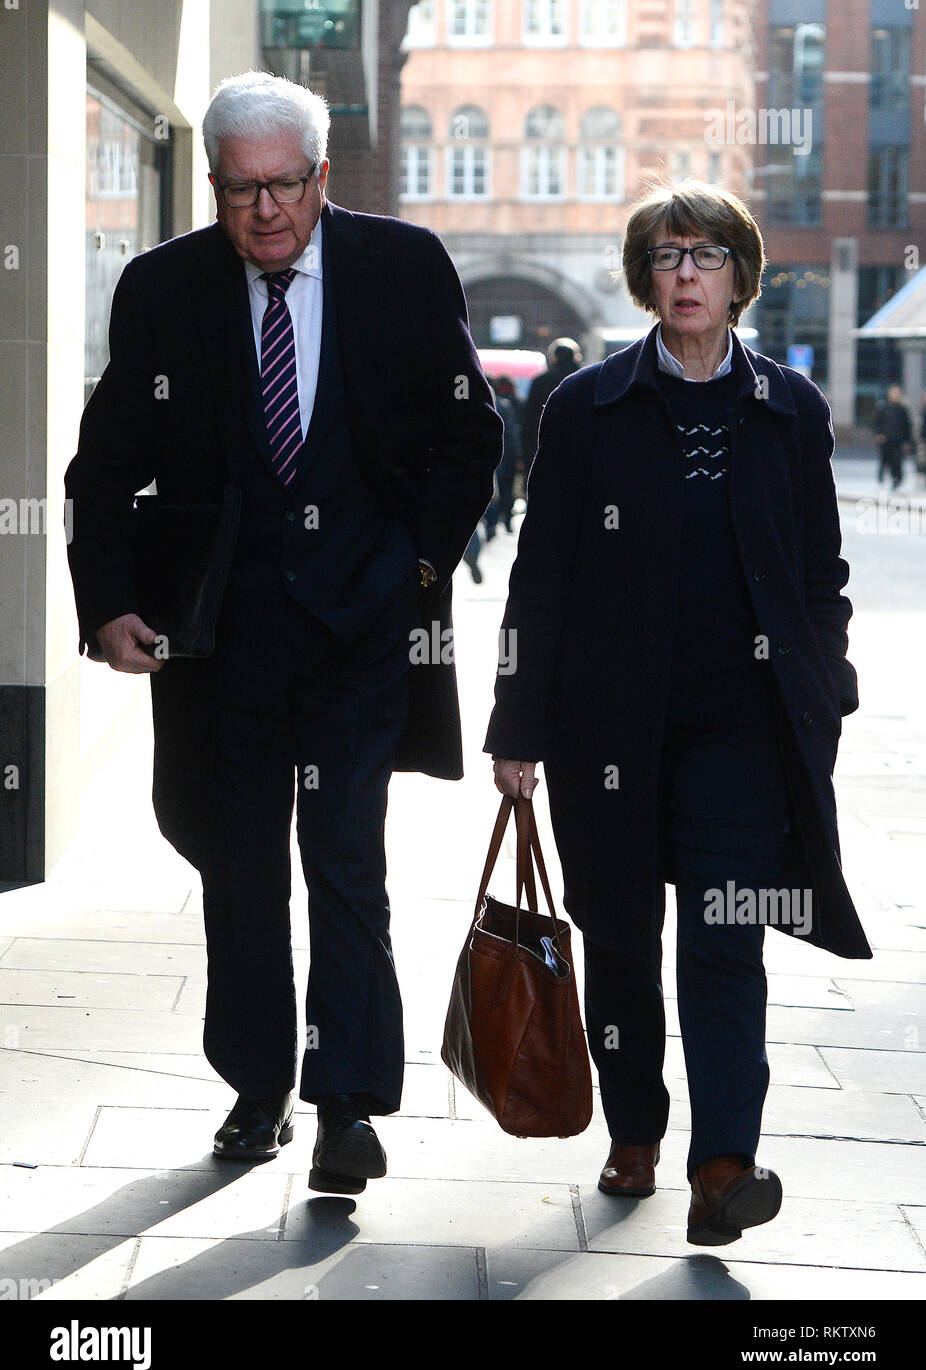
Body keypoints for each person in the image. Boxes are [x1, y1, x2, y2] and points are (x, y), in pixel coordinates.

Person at [66, 71, 502, 1196]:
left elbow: (469, 437)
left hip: (360, 632)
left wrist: (411, 569)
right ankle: (258, 1082)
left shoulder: (400, 269)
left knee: (347, 865)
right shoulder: (163, 289)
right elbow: (106, 461)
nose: (264, 212)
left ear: (321, 176)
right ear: (213, 182)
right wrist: (108, 601)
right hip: (217, 641)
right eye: (238, 189)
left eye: (284, 187)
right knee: (240, 869)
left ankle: (347, 1104)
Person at [485, 180, 870, 1246]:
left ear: (741, 277)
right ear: (643, 277)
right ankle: (636, 1129)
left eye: (705, 255)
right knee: (615, 941)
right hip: (605, 729)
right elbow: (540, 577)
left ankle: (721, 1167)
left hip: (740, 734)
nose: (685, 273)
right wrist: (516, 728)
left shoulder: (788, 410)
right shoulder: (587, 406)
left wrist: (821, 676)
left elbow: (817, 571)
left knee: (722, 940)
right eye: (665, 255)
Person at [522, 338, 582, 466]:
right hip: (578, 443)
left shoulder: (540, 381)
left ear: (553, 357)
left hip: (546, 442)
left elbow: (530, 417)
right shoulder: (586, 380)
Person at [483, 375, 522, 539]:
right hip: (502, 454)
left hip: (483, 453)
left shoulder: (477, 402)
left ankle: (489, 523)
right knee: (498, 490)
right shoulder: (504, 405)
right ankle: (496, 524)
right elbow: (511, 433)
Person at [874, 384, 912, 490]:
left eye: (897, 393)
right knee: (884, 461)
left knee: (897, 462)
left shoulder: (903, 409)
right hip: (885, 440)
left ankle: (896, 481)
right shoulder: (882, 407)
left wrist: (907, 441)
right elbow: (877, 423)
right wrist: (879, 434)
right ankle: (881, 480)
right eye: (893, 392)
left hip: (898, 440)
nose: (895, 395)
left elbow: (907, 426)